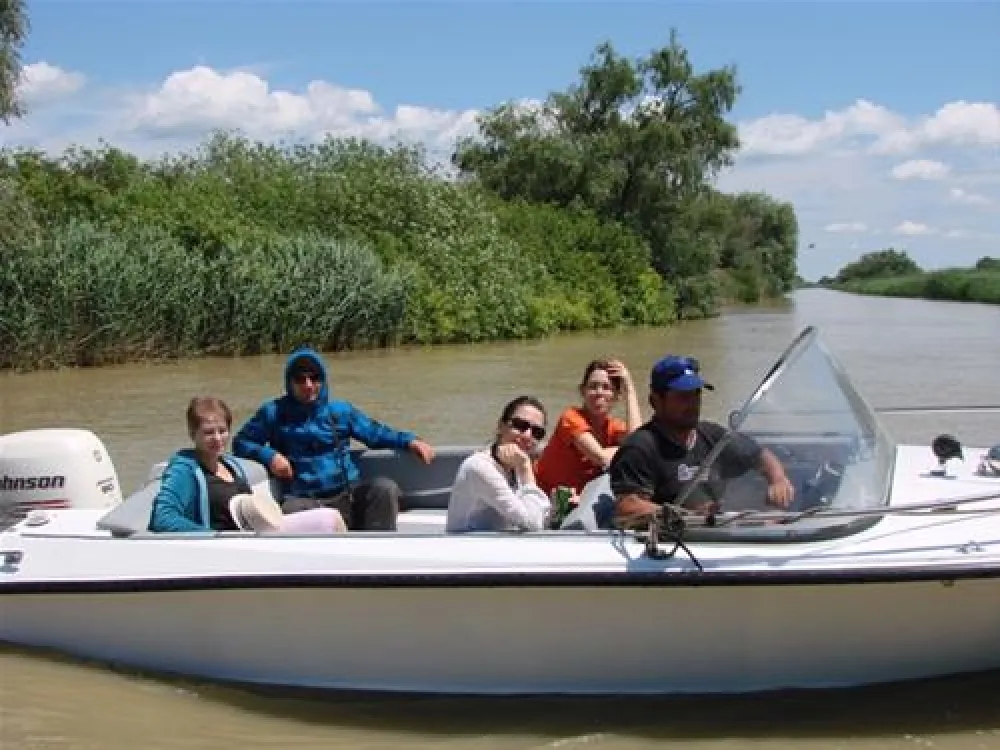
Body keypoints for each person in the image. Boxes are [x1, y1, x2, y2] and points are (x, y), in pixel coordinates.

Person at [232, 347, 435, 531]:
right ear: (289, 382)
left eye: (314, 378)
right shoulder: (273, 413)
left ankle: (377, 549)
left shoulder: (340, 411)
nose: (308, 385)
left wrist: (410, 441)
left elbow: (376, 434)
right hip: (304, 499)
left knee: (384, 489)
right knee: (291, 510)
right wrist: (270, 456)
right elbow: (241, 442)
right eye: (300, 380)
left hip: (347, 494)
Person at [609, 354, 795, 522]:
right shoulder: (640, 448)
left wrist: (778, 479)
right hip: (672, 540)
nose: (693, 404)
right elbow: (627, 508)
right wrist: (686, 516)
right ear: (655, 401)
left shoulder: (714, 436)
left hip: (720, 529)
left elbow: (759, 454)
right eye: (683, 397)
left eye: (696, 394)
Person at [149, 396, 346, 534]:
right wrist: (211, 536)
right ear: (193, 434)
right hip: (229, 545)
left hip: (255, 532)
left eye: (222, 431)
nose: (217, 438)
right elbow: (163, 518)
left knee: (330, 518)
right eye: (209, 432)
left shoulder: (229, 465)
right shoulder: (185, 469)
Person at [535, 358, 642, 498]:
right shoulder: (570, 417)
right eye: (593, 386)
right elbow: (601, 458)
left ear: (617, 396)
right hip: (543, 497)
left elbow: (639, 447)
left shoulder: (613, 427)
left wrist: (629, 390)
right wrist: (625, 449)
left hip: (580, 500)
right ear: (582, 391)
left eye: (606, 387)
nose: (599, 392)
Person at [446, 396, 552, 533]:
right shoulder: (480, 467)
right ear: (501, 426)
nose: (527, 435)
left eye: (537, 432)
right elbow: (532, 524)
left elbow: (536, 517)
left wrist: (558, 508)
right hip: (466, 544)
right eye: (520, 425)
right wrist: (525, 468)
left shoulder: (515, 464)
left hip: (497, 542)